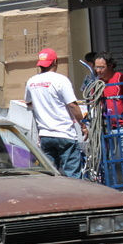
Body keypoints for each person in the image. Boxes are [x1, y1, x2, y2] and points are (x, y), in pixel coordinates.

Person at [24, 48, 87, 178]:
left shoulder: (31, 81)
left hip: (45, 135)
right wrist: (83, 125)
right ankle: (73, 198)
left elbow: (29, 103)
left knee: (50, 177)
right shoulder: (61, 80)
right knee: (72, 176)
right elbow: (72, 105)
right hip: (65, 134)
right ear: (55, 62)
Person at [94, 53, 123, 188]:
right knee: (107, 161)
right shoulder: (97, 83)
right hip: (105, 127)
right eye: (96, 67)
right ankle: (111, 189)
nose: (98, 70)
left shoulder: (121, 79)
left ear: (110, 66)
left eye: (101, 67)